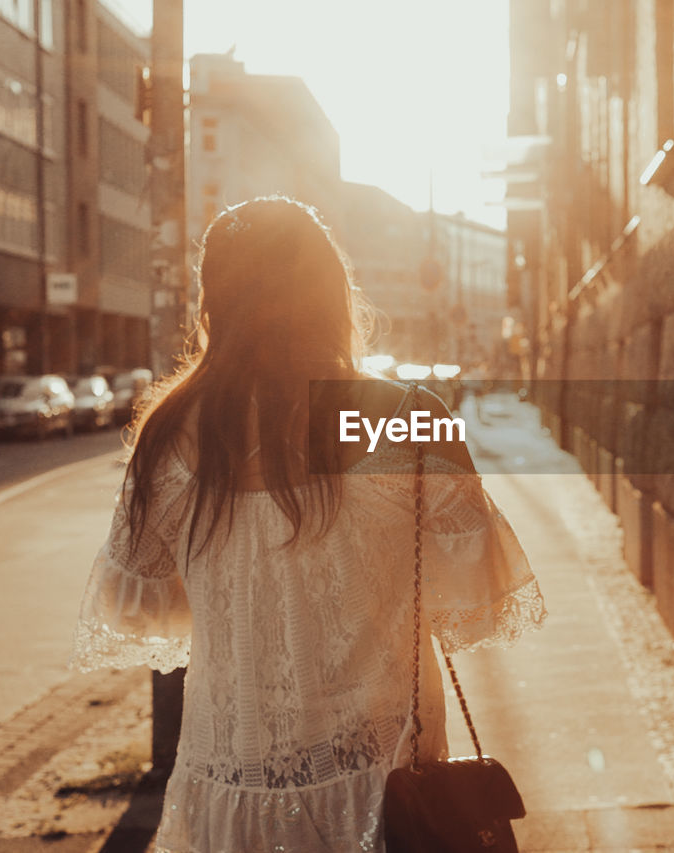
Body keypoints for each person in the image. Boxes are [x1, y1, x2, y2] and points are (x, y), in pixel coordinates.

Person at [70, 197, 546, 852]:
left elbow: (134, 606)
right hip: (381, 788)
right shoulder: (401, 416)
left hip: (229, 782)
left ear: (214, 302)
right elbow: (478, 597)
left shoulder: (173, 431)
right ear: (331, 294)